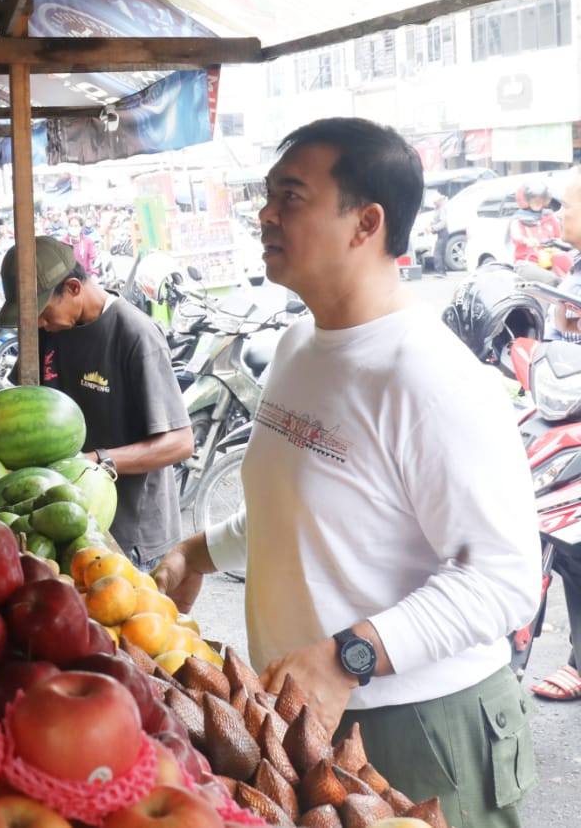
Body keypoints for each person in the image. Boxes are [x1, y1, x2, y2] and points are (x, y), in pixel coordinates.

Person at [154, 118, 541, 828]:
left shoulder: (430, 375)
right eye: (268, 196)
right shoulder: (300, 344)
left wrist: (349, 656)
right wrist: (197, 551)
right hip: (306, 716)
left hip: (418, 726)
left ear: (367, 222)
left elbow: (504, 576)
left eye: (291, 197)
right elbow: (306, 511)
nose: (265, 215)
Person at [0, 237, 193, 571]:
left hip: (131, 534)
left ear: (73, 287)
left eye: (41, 311)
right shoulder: (47, 331)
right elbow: (26, 408)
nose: (37, 323)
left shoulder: (135, 335)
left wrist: (95, 461)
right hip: (66, 522)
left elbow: (180, 443)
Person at [533, 165, 581, 702]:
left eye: (568, 205)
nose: (560, 214)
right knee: (570, 546)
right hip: (568, 424)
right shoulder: (572, 274)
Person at [509, 181, 562, 272]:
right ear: (526, 200)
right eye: (533, 199)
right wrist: (526, 241)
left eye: (540, 199)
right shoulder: (517, 220)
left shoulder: (549, 216)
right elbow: (516, 236)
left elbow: (559, 236)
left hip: (550, 260)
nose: (537, 202)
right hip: (528, 262)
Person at [429, 193, 449, 276]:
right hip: (441, 232)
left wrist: (433, 228)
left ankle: (440, 271)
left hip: (443, 232)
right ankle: (442, 270)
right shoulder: (438, 209)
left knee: (438, 252)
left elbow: (443, 223)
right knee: (441, 251)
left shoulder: (442, 209)